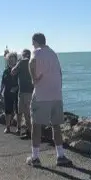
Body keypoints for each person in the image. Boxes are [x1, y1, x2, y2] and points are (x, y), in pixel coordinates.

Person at [26, 33, 71, 166]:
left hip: (41, 95)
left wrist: (33, 78)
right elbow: (60, 72)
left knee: (36, 125)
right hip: (56, 94)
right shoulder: (53, 53)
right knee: (56, 125)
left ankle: (35, 158)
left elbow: (31, 62)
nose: (32, 45)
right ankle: (60, 155)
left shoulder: (37, 52)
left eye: (32, 43)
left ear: (35, 42)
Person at [11, 49, 33, 139]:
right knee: (27, 113)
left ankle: (28, 132)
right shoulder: (33, 62)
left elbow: (13, 72)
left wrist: (18, 62)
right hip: (31, 91)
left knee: (23, 113)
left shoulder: (21, 62)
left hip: (24, 92)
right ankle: (28, 131)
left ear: (24, 55)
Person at [0, 51, 19, 134]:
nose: (10, 61)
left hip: (17, 93)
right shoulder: (6, 71)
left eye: (12, 59)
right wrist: (0, 93)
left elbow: (22, 82)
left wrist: (16, 87)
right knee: (7, 111)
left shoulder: (19, 70)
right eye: (9, 59)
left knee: (18, 111)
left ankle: (19, 128)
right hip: (7, 93)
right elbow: (3, 82)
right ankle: (7, 127)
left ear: (16, 60)